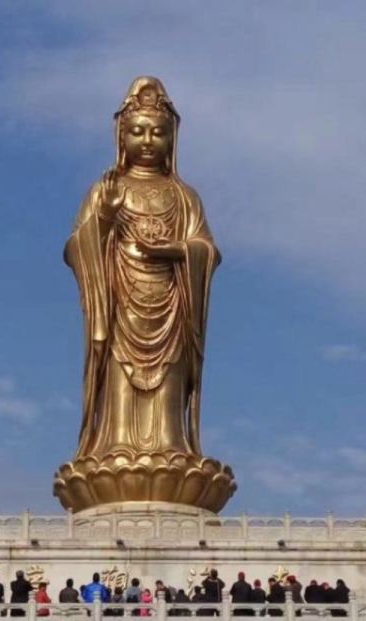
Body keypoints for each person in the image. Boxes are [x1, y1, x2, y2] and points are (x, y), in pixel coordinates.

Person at [60, 76, 225, 514]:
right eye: (138, 131)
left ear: (171, 139)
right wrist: (104, 219)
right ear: (122, 136)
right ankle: (113, 447)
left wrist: (175, 250)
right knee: (120, 385)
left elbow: (207, 250)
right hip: (120, 306)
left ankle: (172, 447)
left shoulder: (184, 197)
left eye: (157, 132)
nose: (148, 141)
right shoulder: (106, 190)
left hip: (171, 306)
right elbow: (76, 247)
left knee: (168, 395)